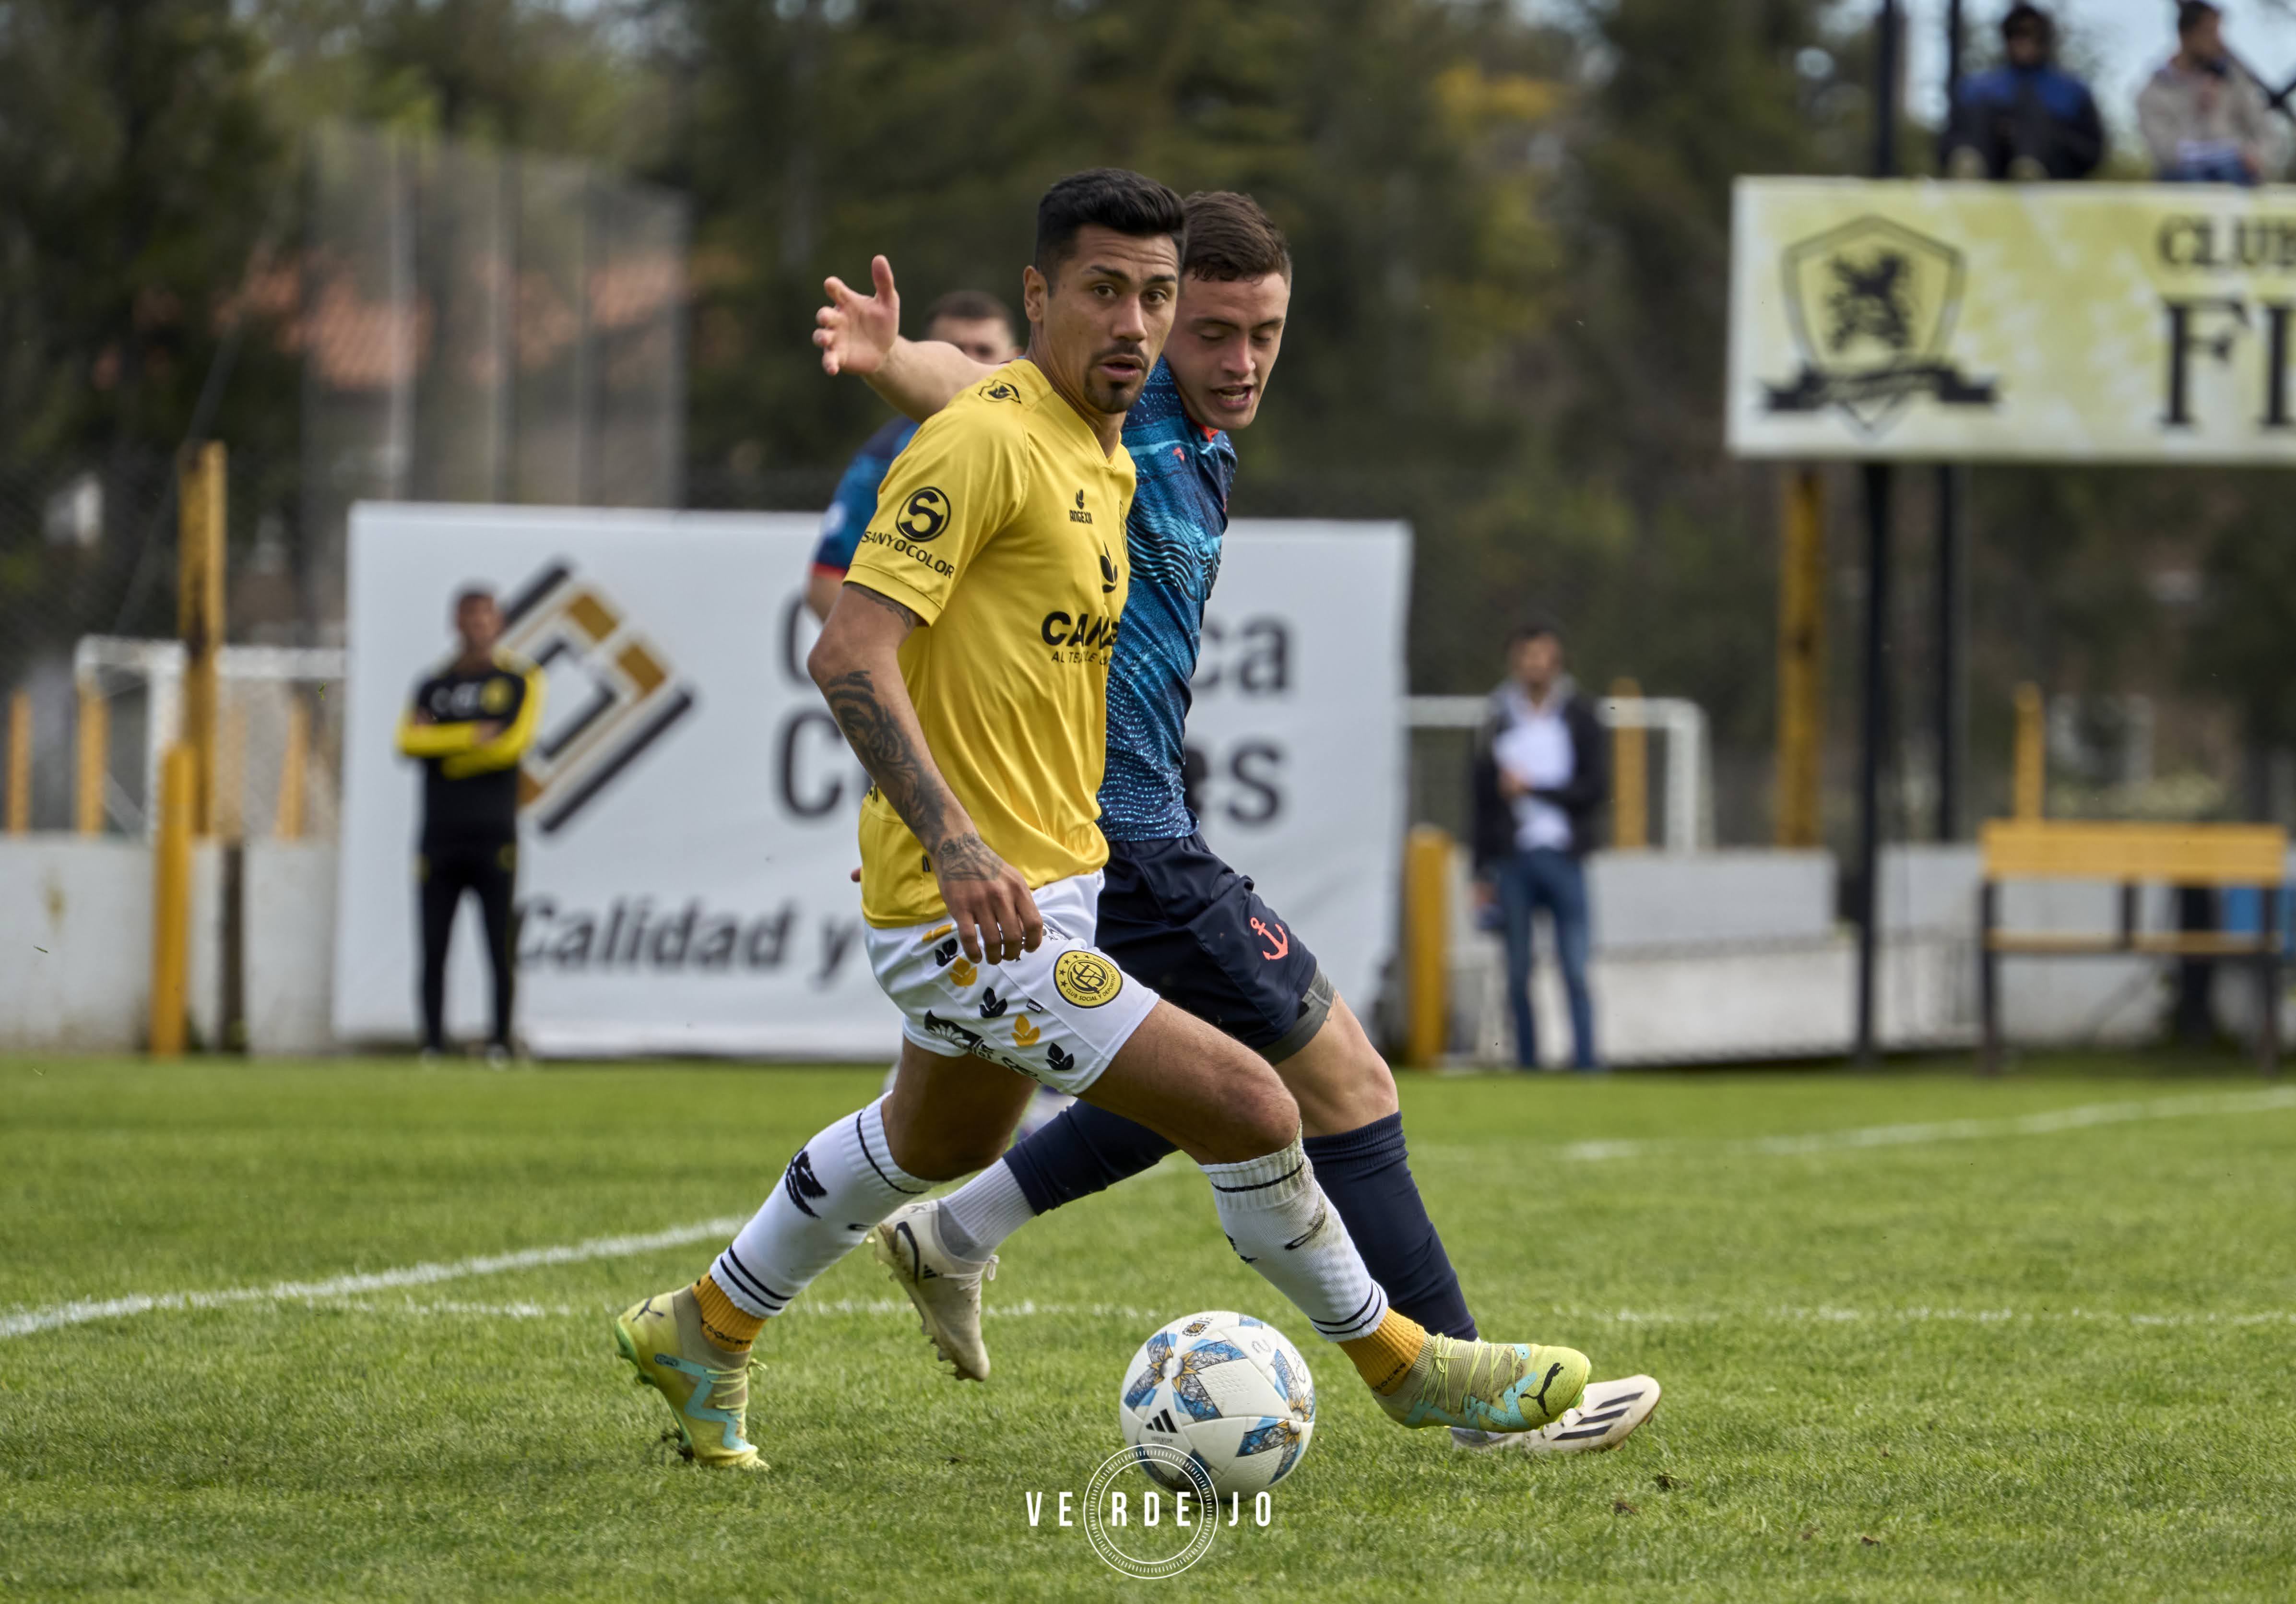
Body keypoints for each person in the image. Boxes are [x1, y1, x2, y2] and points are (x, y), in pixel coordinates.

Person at [613, 169, 1599, 1472]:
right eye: (1114, 296)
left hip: (1065, 872)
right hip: (979, 901)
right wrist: (953, 840)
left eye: (1164, 300)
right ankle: (1412, 1365)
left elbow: (995, 406)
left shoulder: (1104, 443)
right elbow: (854, 635)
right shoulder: (1006, 434)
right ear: (1039, 296)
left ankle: (707, 1323)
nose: (1155, 331)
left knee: (944, 1138)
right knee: (1255, 1099)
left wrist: (902, 362)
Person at [803, 291, 1024, 623]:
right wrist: (885, 651)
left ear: (1013, 359)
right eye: (955, 352)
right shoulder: (884, 457)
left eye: (984, 352)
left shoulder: (1057, 440)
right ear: (926, 356)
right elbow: (826, 582)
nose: (968, 363)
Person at [393, 587, 543, 1066]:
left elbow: (509, 746)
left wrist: (443, 746)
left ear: (499, 623)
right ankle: (433, 1044)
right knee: (433, 945)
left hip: (494, 834)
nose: (477, 626)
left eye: (485, 617)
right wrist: (472, 737)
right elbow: (407, 742)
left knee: (498, 944)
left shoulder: (519, 679)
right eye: (469, 617)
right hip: (439, 835)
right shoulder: (432, 685)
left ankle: (499, 1040)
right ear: (455, 623)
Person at [1470, 617, 1607, 1072]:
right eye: (1526, 655)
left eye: (1542, 654)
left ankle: (1586, 1063)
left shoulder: (1580, 714)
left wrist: (1534, 789)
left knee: (1575, 967)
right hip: (1514, 860)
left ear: (1557, 659)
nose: (1534, 664)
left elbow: (1596, 788)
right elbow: (1480, 802)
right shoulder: (1496, 719)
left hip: (1565, 857)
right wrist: (1480, 871)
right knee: (1517, 971)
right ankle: (1527, 1064)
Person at [1942, 5, 2104, 181]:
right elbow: (1947, 142)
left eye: (2031, 35)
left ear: (2044, 40)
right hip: (1989, 167)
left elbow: (2092, 152)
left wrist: (2043, 134)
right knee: (1981, 113)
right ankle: (1970, 170)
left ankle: (2029, 168)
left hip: (2052, 172)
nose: (2023, 42)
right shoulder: (1977, 88)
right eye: (2016, 34)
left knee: (2033, 117)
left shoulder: (2071, 91)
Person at [2138, 2, 2274, 185]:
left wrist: (2256, 156)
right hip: (2185, 179)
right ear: (2186, 35)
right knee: (2190, 176)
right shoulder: (2153, 92)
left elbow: (2265, 131)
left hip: (2236, 174)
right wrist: (2196, 109)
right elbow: (2166, 155)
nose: (2218, 42)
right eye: (2209, 32)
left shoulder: (2234, 81)